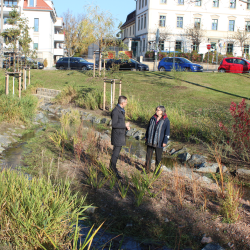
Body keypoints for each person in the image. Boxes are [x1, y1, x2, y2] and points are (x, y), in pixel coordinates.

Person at [145, 106, 170, 174]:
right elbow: (148, 128)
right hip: (150, 140)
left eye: (158, 110)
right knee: (148, 156)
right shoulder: (152, 118)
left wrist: (165, 141)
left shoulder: (166, 120)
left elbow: (167, 132)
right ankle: (147, 170)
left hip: (159, 142)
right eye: (156, 109)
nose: (156, 111)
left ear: (162, 112)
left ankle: (157, 171)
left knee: (158, 158)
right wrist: (146, 136)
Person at [110, 96, 130, 179]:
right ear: (122, 102)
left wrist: (125, 127)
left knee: (116, 154)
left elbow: (119, 123)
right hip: (117, 136)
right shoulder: (116, 111)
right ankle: (112, 170)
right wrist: (124, 125)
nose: (126, 103)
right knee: (115, 154)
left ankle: (112, 168)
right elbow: (114, 124)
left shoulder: (121, 110)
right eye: (126, 102)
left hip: (120, 134)